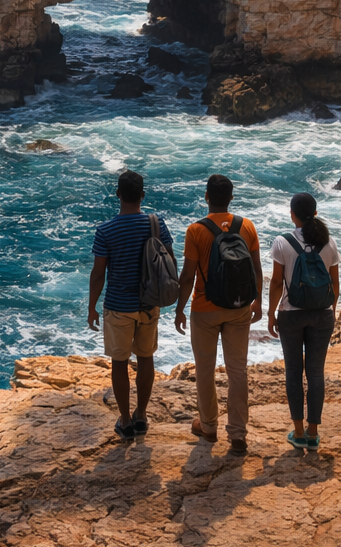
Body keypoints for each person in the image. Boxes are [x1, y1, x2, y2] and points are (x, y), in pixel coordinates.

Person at [173, 174, 264, 456]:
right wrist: (258, 302)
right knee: (238, 371)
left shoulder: (195, 230)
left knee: (204, 369)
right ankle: (237, 434)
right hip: (238, 309)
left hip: (205, 308)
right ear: (232, 198)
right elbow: (257, 269)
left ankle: (209, 427)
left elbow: (188, 276)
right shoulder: (246, 225)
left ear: (206, 197)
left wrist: (178, 308)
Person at [88, 170, 173, 441]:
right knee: (146, 358)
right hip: (149, 304)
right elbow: (170, 262)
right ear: (143, 195)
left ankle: (124, 421)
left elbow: (99, 273)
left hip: (118, 306)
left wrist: (92, 307)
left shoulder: (106, 230)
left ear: (118, 195)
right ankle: (141, 415)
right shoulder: (156, 223)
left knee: (119, 363)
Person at [267, 192, 341, 451]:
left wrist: (271, 312)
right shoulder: (329, 243)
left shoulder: (282, 242)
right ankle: (313, 432)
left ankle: (298, 432)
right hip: (322, 314)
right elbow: (335, 284)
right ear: (316, 213)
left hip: (291, 314)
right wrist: (328, 310)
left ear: (292, 214)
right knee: (316, 373)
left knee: (293, 372)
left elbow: (276, 283)